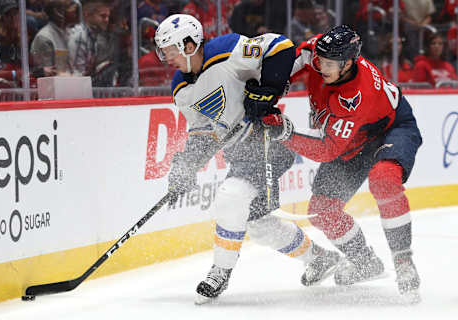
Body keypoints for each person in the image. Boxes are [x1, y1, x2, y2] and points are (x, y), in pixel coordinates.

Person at [154, 14, 341, 304]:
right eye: (163, 52)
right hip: (242, 153)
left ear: (189, 44)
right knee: (259, 224)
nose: (166, 59)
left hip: (270, 139)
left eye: (170, 51)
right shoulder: (181, 89)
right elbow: (204, 131)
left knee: (231, 195)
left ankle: (220, 271)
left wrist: (268, 89)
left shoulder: (227, 49)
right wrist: (185, 165)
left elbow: (281, 47)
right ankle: (319, 258)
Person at [253, 25, 422, 301]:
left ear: (348, 63)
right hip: (354, 140)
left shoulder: (356, 96)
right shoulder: (319, 51)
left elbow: (327, 151)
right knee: (322, 211)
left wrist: (285, 134)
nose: (321, 67)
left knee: (383, 179)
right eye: (320, 61)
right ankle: (365, 261)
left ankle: (403, 262)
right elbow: (284, 68)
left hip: (391, 129)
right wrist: (264, 92)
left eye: (330, 64)